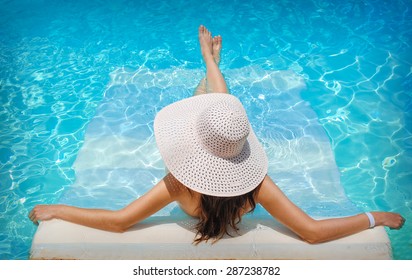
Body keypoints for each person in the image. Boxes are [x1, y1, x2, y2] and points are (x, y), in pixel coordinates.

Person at [29, 25, 405, 244]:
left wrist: (57, 209)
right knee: (220, 113)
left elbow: (119, 221)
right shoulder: (256, 184)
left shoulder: (180, 184)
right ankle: (212, 65)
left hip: (205, 161)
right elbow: (312, 231)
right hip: (228, 157)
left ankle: (211, 66)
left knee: (213, 109)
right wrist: (375, 217)